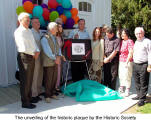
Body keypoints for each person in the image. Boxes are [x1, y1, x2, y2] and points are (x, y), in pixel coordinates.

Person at [14, 12, 40, 109]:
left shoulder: (28, 31)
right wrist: (34, 53)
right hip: (24, 57)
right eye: (27, 20)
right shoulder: (19, 31)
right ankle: (25, 102)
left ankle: (29, 98)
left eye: (29, 20)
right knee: (25, 80)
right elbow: (23, 47)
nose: (28, 22)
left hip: (31, 56)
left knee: (30, 79)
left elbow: (33, 43)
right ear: (20, 20)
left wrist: (37, 50)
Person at [41, 22, 61, 103]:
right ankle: (47, 95)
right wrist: (55, 58)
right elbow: (47, 51)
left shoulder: (55, 37)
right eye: (56, 28)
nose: (57, 30)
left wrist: (59, 56)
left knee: (54, 78)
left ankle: (52, 93)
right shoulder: (44, 38)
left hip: (55, 61)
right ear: (52, 29)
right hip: (48, 62)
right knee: (48, 79)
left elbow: (58, 48)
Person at [132, 27, 151, 106]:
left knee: (143, 82)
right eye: (136, 34)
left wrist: (149, 66)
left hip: (144, 64)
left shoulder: (147, 41)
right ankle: (139, 95)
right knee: (137, 81)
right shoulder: (136, 41)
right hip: (135, 64)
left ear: (143, 33)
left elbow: (150, 54)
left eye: (140, 33)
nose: (138, 35)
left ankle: (142, 99)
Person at [118, 29, 134, 97]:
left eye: (123, 33)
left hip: (127, 61)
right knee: (121, 75)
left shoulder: (130, 41)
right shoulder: (121, 42)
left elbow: (131, 52)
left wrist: (127, 62)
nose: (122, 34)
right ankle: (121, 87)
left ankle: (127, 89)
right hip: (121, 61)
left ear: (127, 34)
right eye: (121, 33)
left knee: (127, 75)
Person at [31, 17, 43, 102]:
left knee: (40, 75)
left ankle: (38, 92)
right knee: (34, 76)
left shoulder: (40, 32)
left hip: (41, 56)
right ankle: (33, 94)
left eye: (38, 22)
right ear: (32, 23)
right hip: (35, 57)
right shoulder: (31, 32)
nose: (38, 23)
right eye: (35, 22)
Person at [55, 23, 66, 91]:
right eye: (59, 27)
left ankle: (57, 86)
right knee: (56, 72)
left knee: (59, 72)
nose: (60, 28)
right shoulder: (55, 37)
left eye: (61, 27)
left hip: (60, 56)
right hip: (56, 57)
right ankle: (55, 87)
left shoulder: (60, 37)